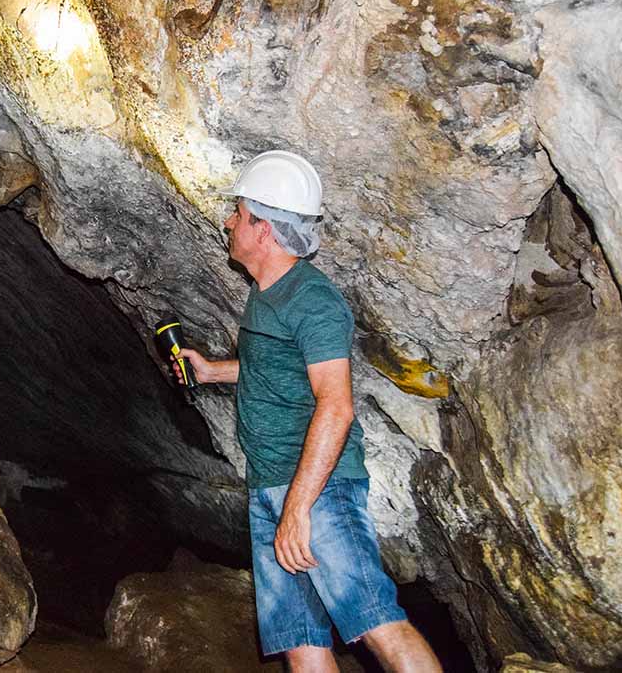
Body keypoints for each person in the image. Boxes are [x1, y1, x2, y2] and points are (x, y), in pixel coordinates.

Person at [174, 151, 441, 673]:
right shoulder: (266, 294)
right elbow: (278, 370)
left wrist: (299, 508)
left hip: (319, 489)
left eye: (239, 212)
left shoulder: (313, 302)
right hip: (271, 485)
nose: (229, 220)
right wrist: (212, 371)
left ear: (265, 230)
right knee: (302, 643)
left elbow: (335, 405)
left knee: (377, 623)